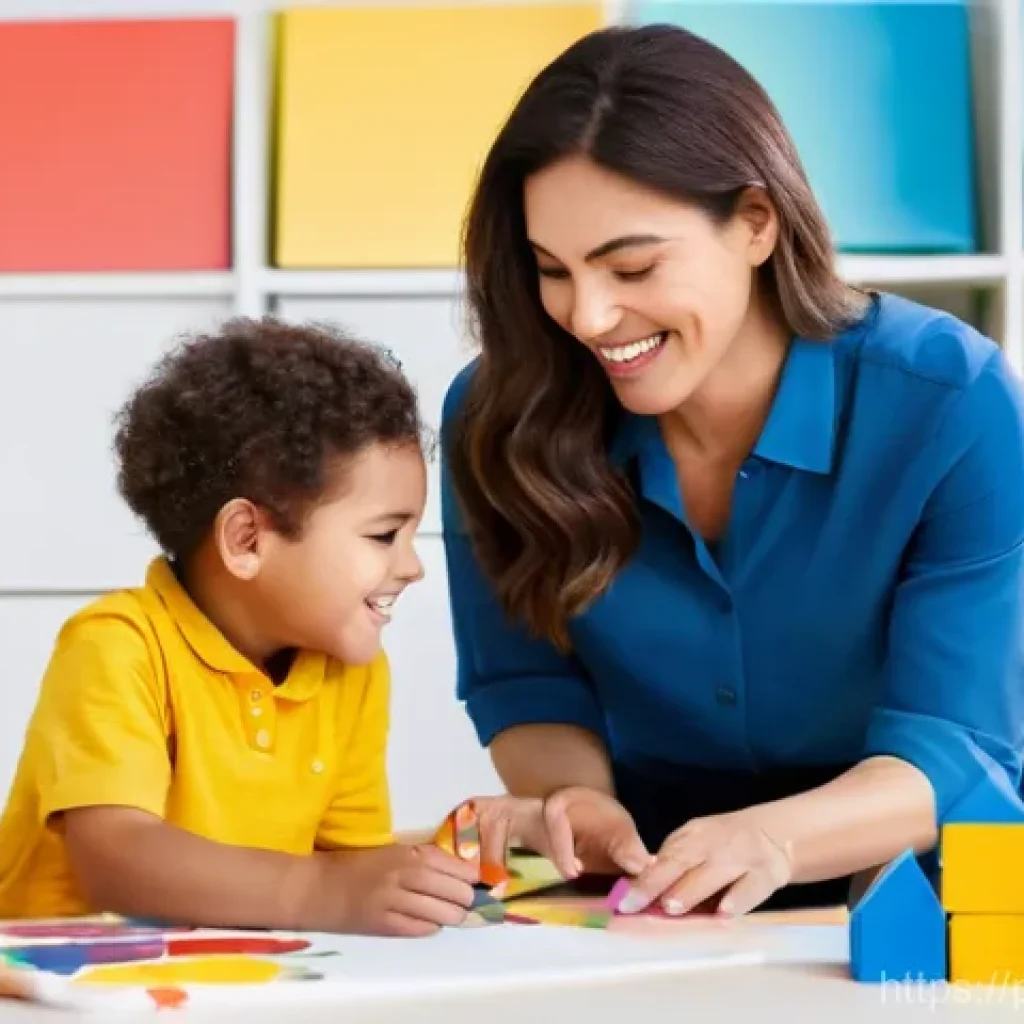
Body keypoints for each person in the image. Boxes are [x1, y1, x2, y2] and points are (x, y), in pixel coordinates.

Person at [441, 22, 1024, 917]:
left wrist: (775, 836)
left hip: (916, 875)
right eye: (550, 270)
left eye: (630, 265)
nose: (589, 316)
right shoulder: (498, 412)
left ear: (756, 223)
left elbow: (960, 743)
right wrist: (576, 801)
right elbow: (524, 681)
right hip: (648, 884)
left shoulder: (952, 400)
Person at [0, 318, 478, 935]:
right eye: (384, 535)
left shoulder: (350, 671)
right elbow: (113, 862)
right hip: (55, 988)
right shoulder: (118, 647)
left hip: (225, 981)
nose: (411, 567)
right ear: (247, 539)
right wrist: (319, 890)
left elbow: (351, 863)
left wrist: (441, 861)